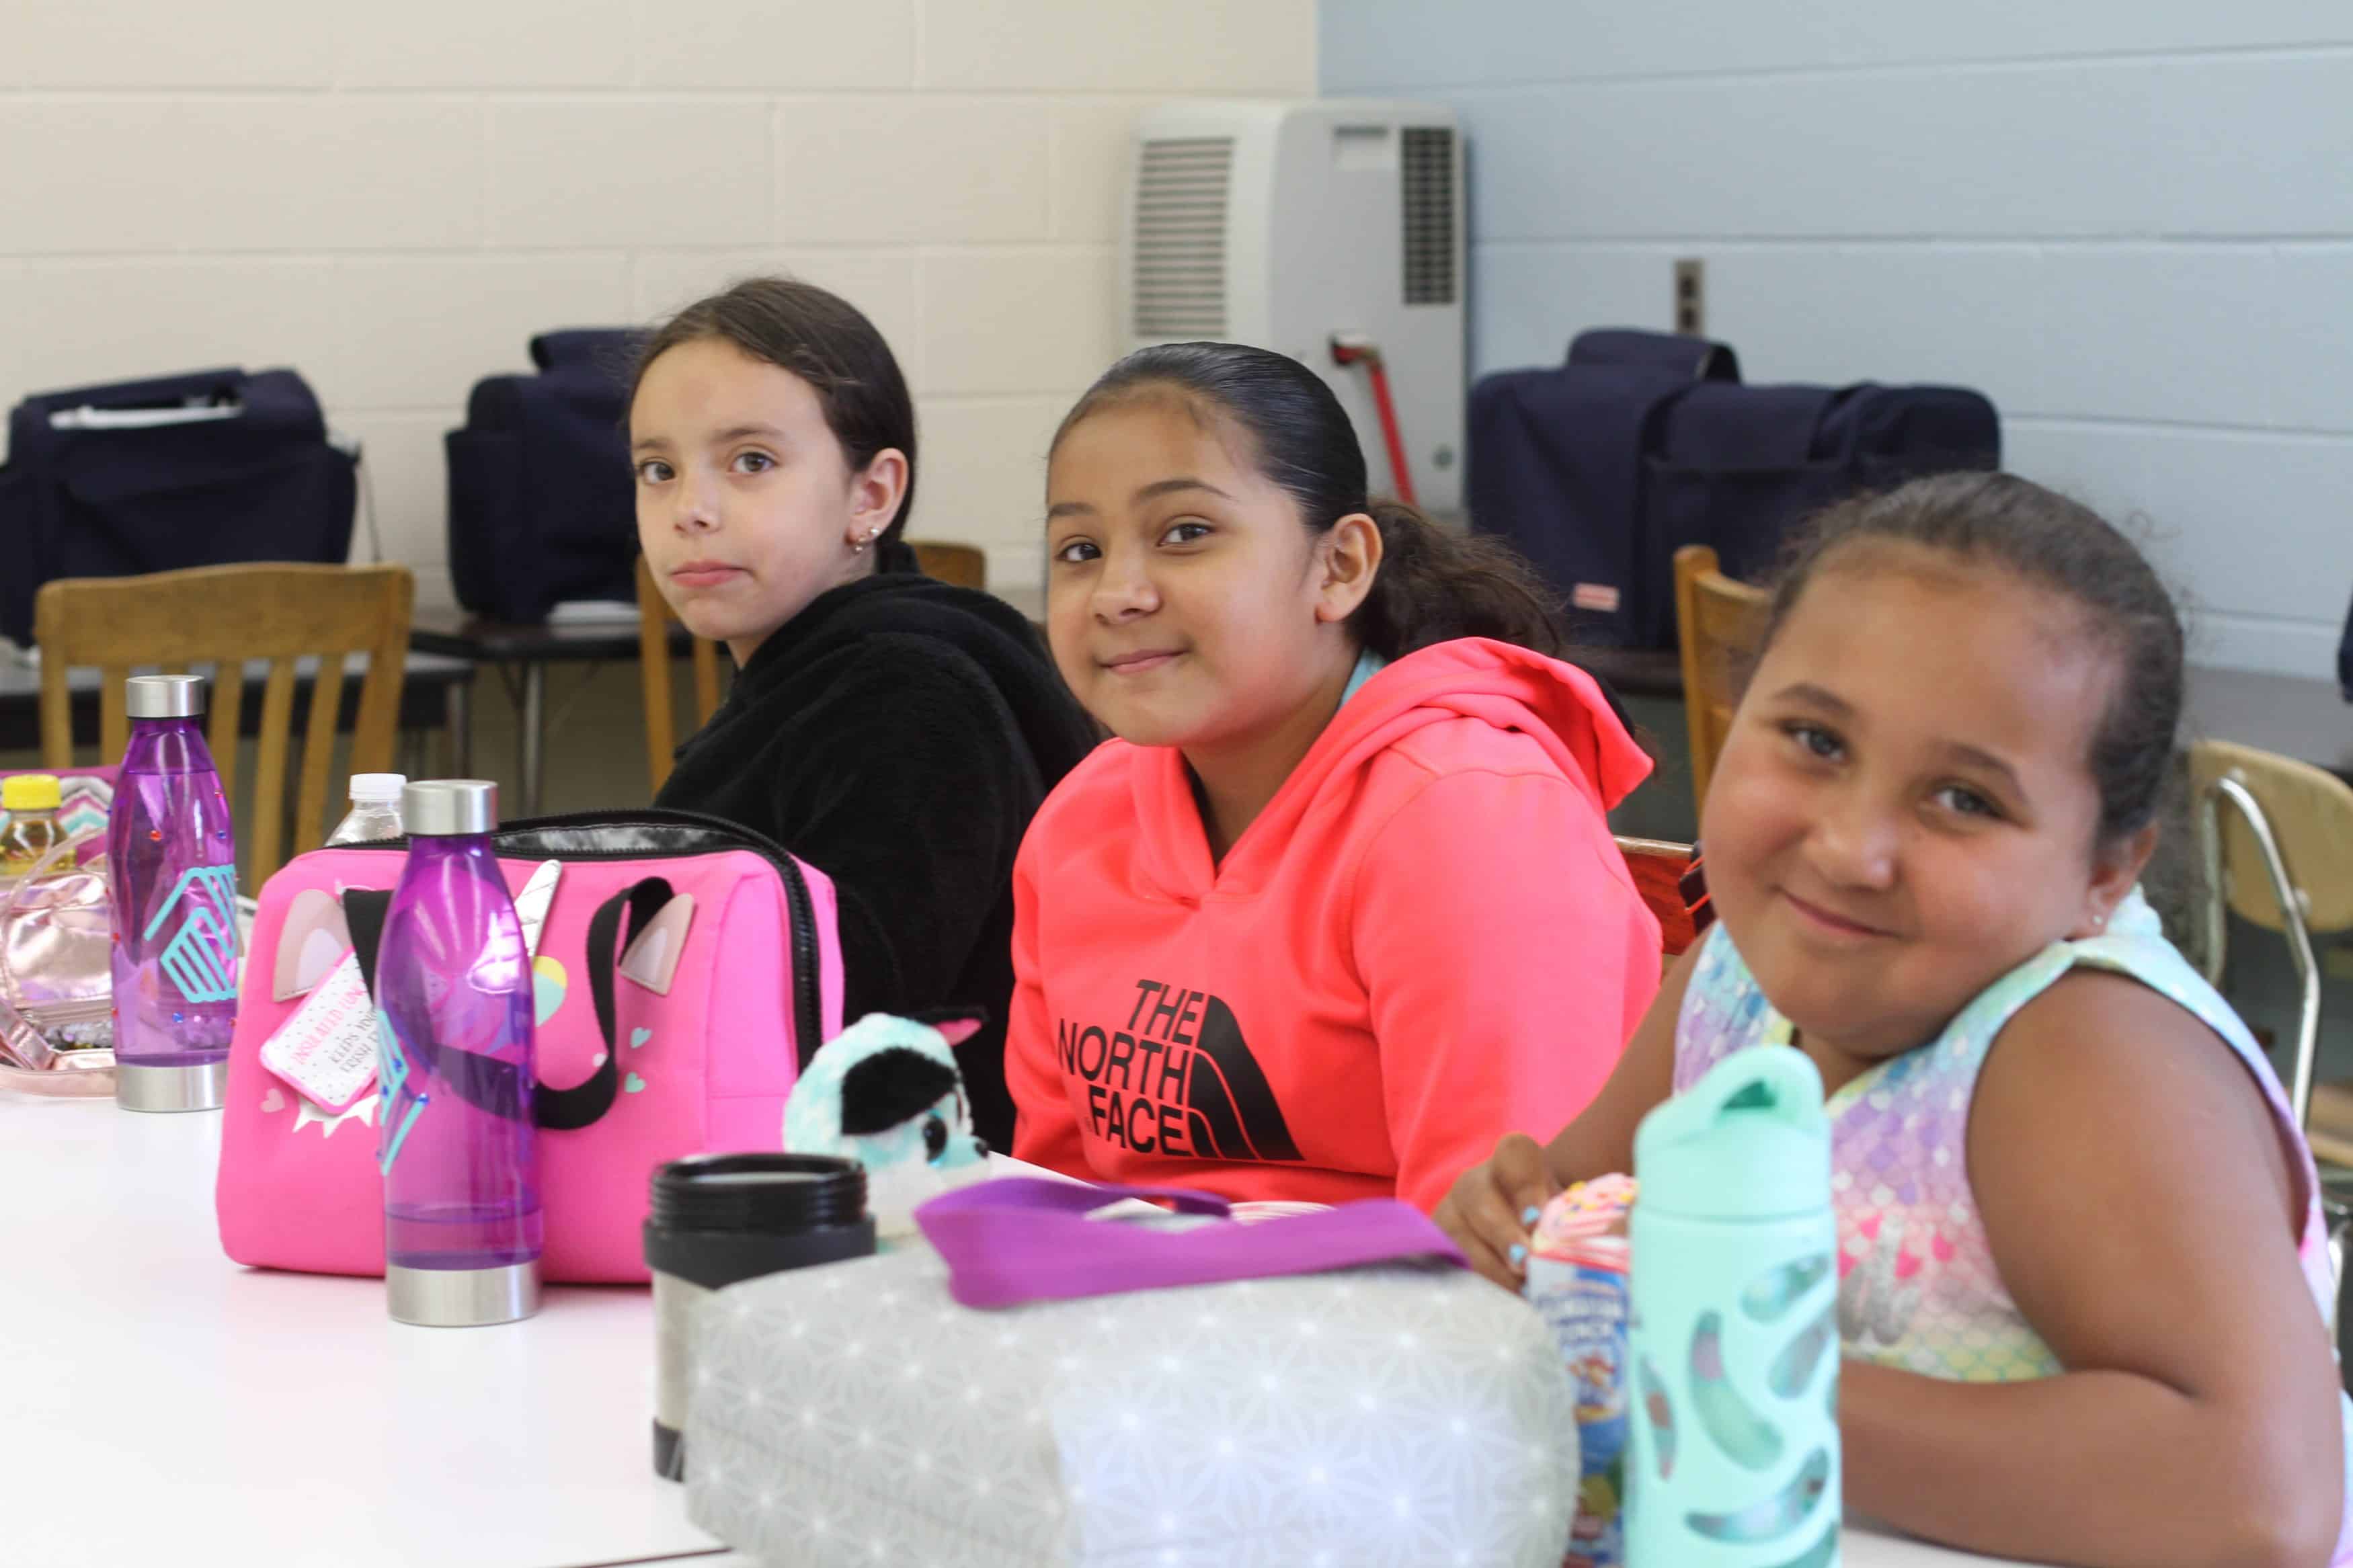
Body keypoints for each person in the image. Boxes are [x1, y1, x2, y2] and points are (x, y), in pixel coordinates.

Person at [1437, 472, 2351, 1567]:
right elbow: (1574, 1209)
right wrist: (1516, 1235)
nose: (1848, 849)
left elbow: (2262, 1499)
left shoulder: (2082, 1049)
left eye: (1965, 799)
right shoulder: (1741, 972)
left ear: (2105, 871)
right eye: (1815, 739)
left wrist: (1725, 1379)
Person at [1003, 341, 1661, 1212]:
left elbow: (1505, 1237)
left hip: (1420, 1294)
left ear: (1340, 565)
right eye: (1080, 549)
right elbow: (1053, 1202)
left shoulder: (1468, 819)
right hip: (1132, 1297)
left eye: (1186, 534)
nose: (1117, 592)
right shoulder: (1083, 818)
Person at [632, 278, 1099, 1151]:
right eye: (659, 470)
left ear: (871, 496)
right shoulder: (814, 677)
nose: (690, 509)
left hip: (918, 1193)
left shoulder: (909, 699)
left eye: (751, 462)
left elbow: (841, 1013)